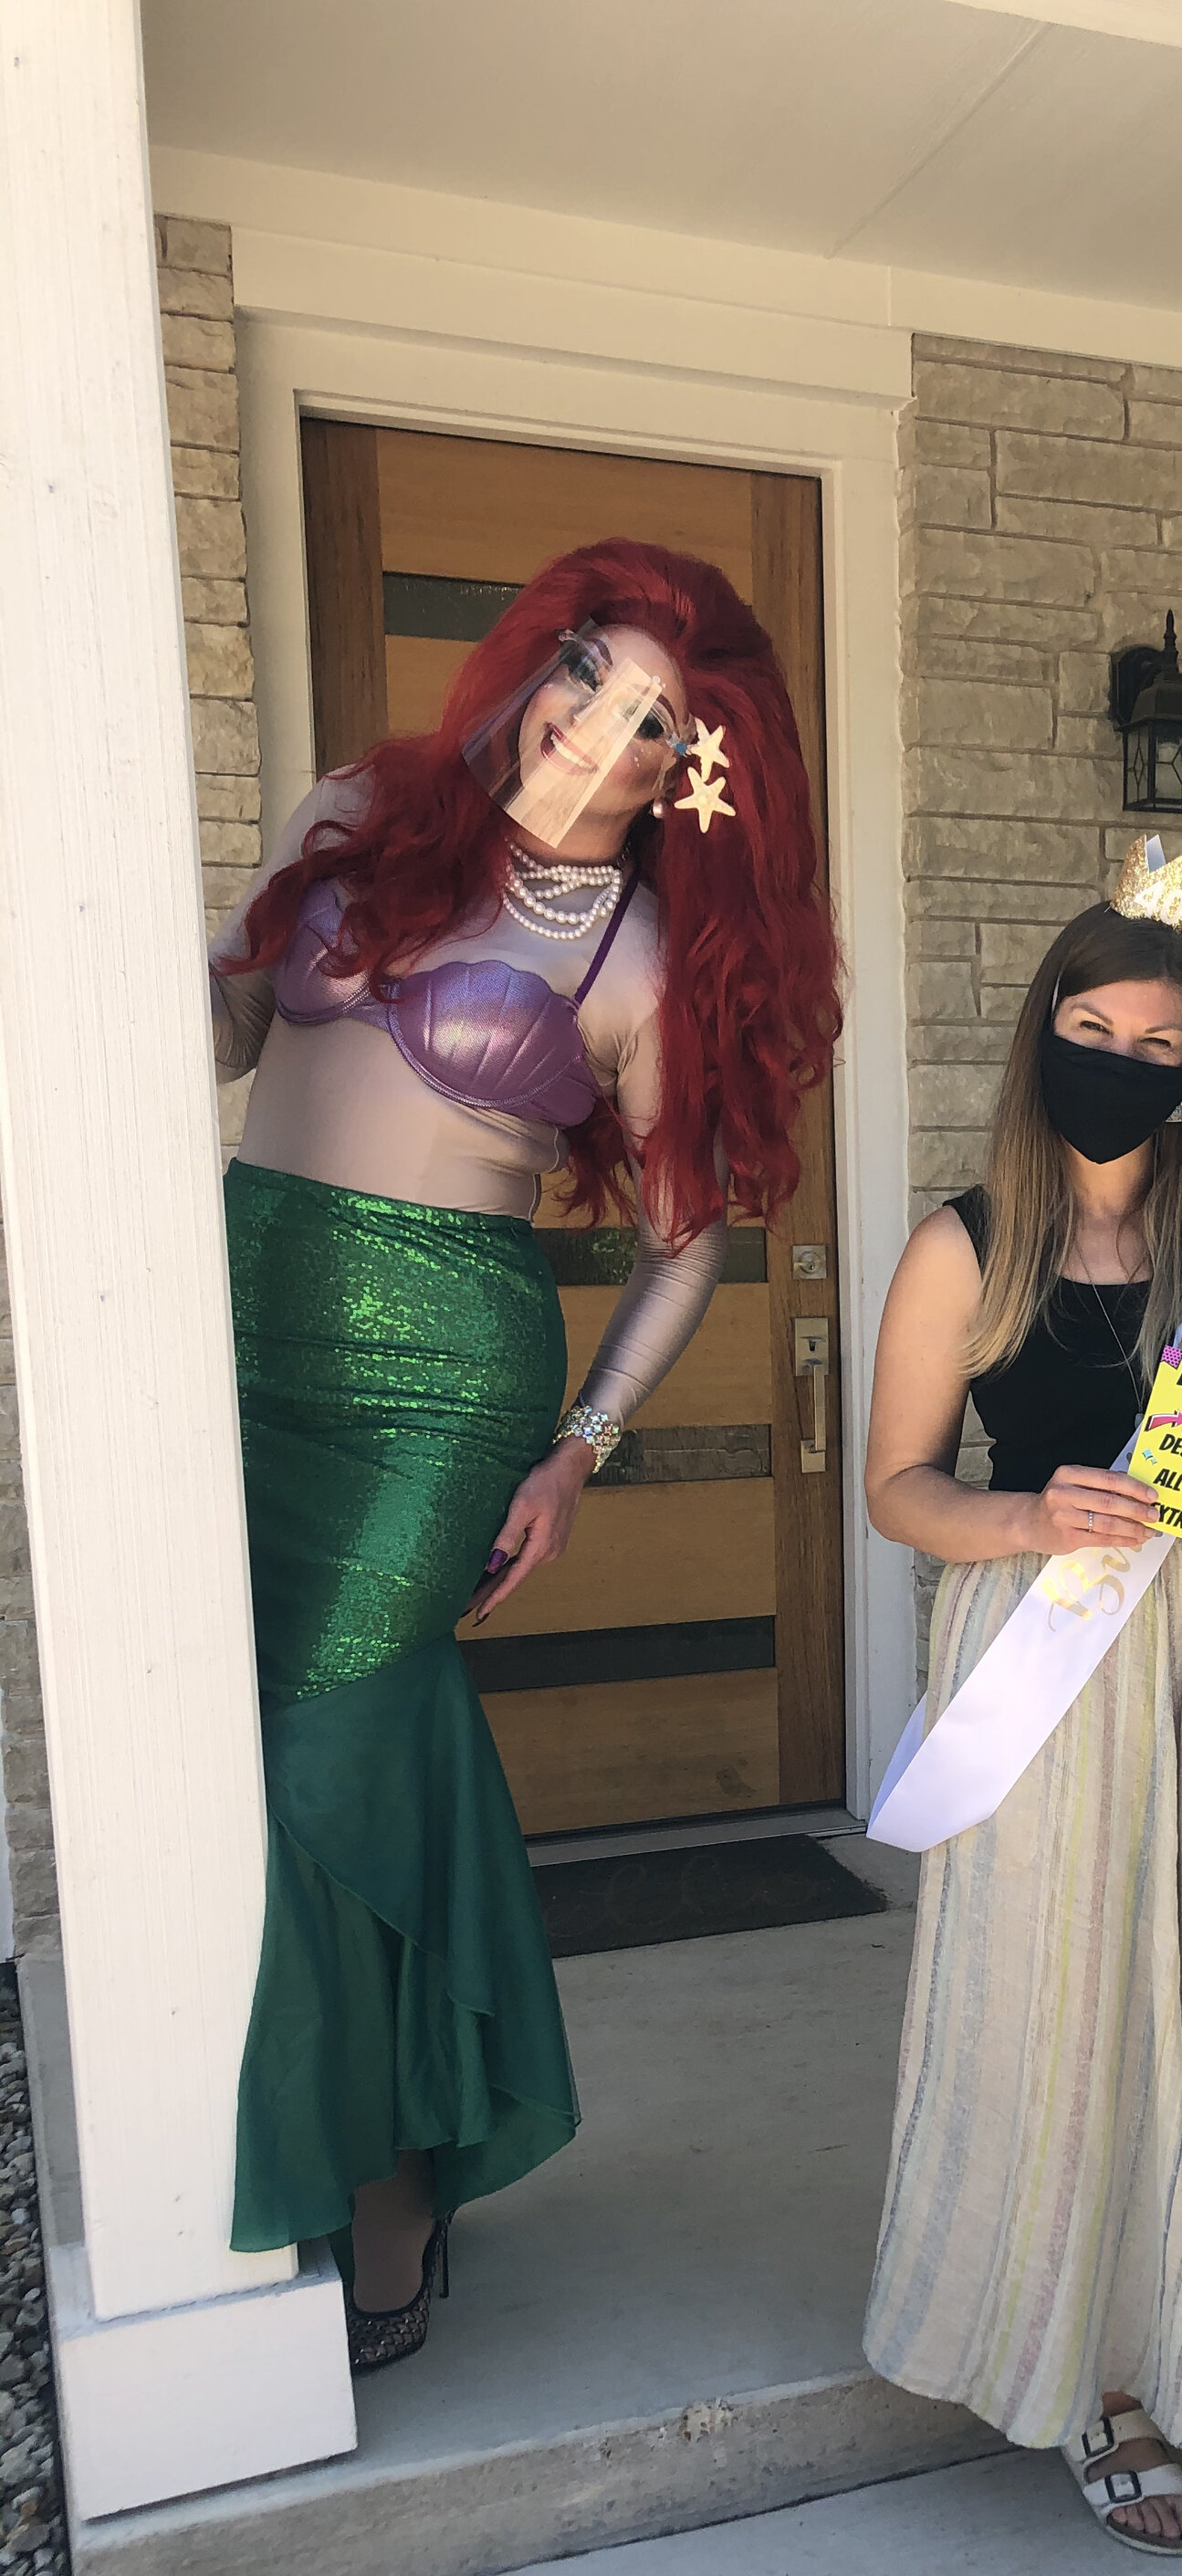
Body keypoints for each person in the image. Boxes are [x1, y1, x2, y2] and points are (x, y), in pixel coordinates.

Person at [210, 540, 837, 2370]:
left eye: (654, 720)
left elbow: (687, 1231)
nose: (595, 722)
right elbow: (240, 1019)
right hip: (240, 1310)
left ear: (685, 780)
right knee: (244, 1744)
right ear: (536, 659)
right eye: (591, 669)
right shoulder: (362, 808)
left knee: (337, 1735)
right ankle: (306, 2134)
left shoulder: (638, 955)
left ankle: (390, 2178)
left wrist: (580, 1445)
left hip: (439, 1381)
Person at [862, 843, 1182, 2559]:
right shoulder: (965, 1242)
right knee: (1071, 2006)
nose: (1123, 1064)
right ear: (1042, 1035)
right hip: (1044, 1651)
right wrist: (1026, 1513)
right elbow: (897, 1487)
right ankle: (1101, 2376)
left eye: (1160, 1046)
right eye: (1094, 1027)